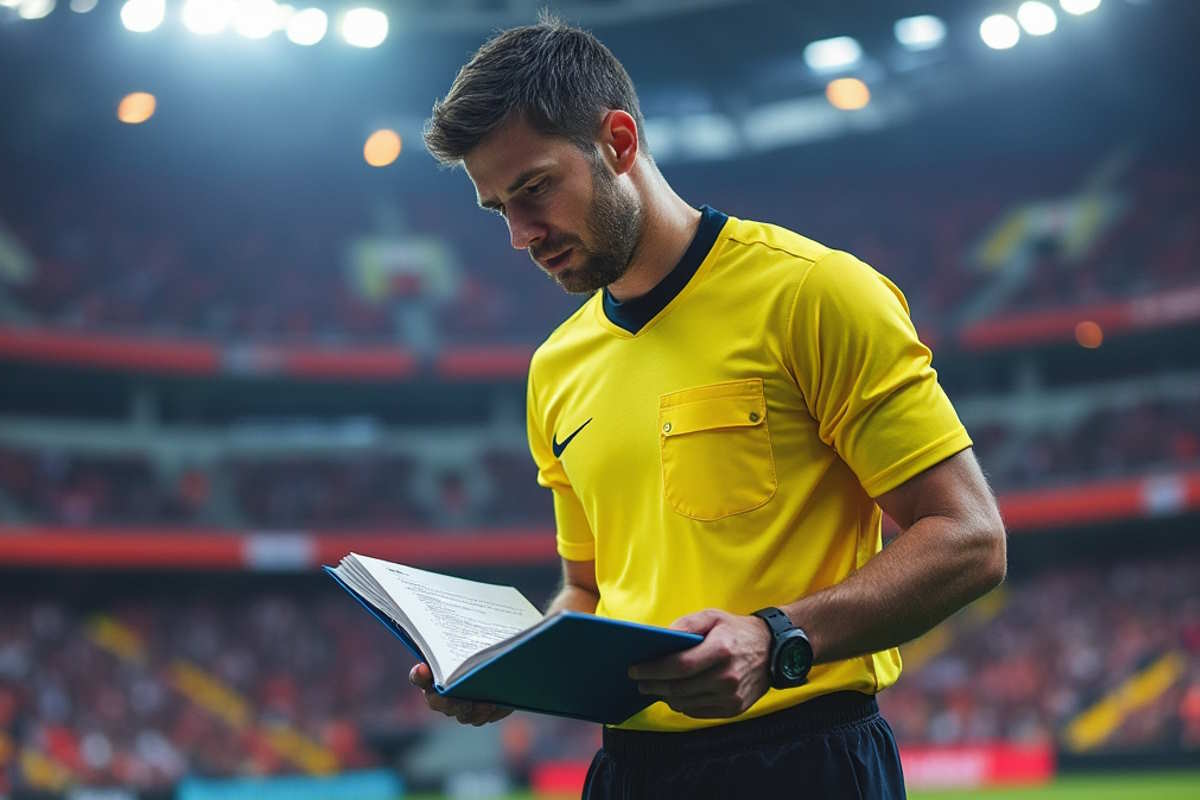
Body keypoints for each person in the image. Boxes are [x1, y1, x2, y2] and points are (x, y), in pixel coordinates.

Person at [409, 14, 1007, 799]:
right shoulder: (554, 370)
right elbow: (588, 590)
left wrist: (776, 639)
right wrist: (513, 671)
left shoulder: (813, 292)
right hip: (625, 773)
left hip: (804, 761)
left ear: (618, 142)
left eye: (534, 189)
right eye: (499, 209)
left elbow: (970, 539)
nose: (522, 235)